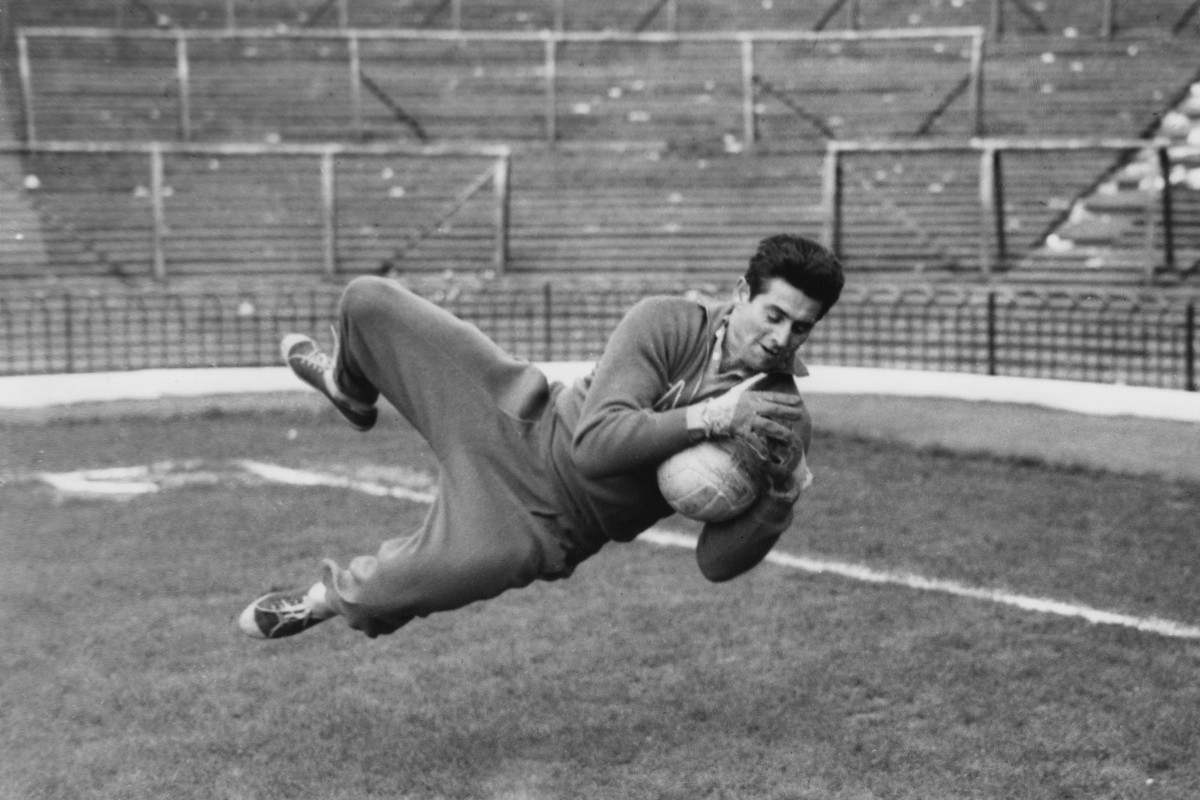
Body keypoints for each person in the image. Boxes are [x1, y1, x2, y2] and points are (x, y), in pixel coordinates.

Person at [238, 233, 845, 640]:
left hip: (543, 522)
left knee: (388, 592)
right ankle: (351, 389)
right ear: (742, 294)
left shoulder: (780, 418)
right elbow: (596, 442)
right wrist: (709, 419)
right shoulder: (667, 321)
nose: (784, 337)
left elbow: (715, 565)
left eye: (801, 327)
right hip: (517, 415)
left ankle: (315, 601)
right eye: (774, 314)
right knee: (367, 301)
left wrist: (779, 499)